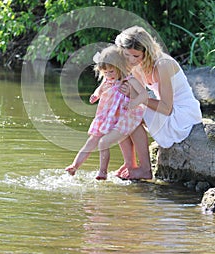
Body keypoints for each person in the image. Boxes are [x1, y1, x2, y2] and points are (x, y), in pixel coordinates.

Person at [98, 25, 203, 180]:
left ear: (146, 52)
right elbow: (134, 96)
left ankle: (146, 169)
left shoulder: (163, 64)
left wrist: (138, 98)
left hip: (180, 113)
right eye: (127, 55)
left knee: (131, 115)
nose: (131, 60)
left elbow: (166, 107)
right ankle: (130, 164)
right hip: (166, 109)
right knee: (121, 112)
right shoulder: (137, 65)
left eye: (136, 56)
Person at [65, 44, 148, 180]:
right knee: (92, 140)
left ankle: (103, 171)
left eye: (111, 71)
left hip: (123, 117)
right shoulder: (107, 79)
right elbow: (101, 88)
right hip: (107, 116)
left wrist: (132, 103)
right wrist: (96, 94)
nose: (108, 75)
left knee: (104, 142)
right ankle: (74, 166)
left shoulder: (129, 80)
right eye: (105, 72)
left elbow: (144, 95)